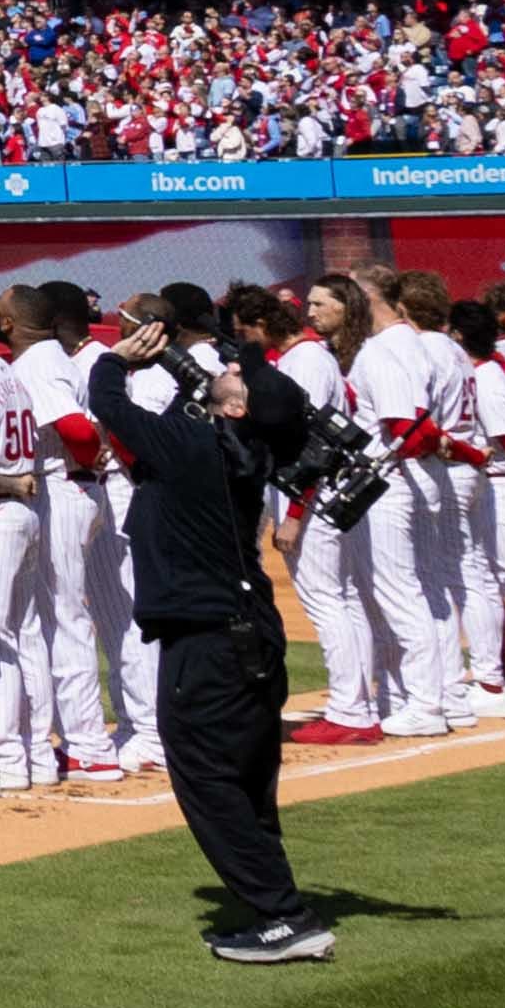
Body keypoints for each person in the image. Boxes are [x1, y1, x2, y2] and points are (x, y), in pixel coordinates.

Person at [82, 304, 348, 962]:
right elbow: (191, 409)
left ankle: (283, 915)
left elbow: (106, 400)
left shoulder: (196, 448)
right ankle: (277, 904)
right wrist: (182, 373)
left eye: (236, 373)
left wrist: (122, 356)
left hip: (209, 640)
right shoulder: (230, 444)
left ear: (236, 410)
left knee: (203, 774)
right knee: (248, 779)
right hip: (246, 629)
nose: (228, 367)